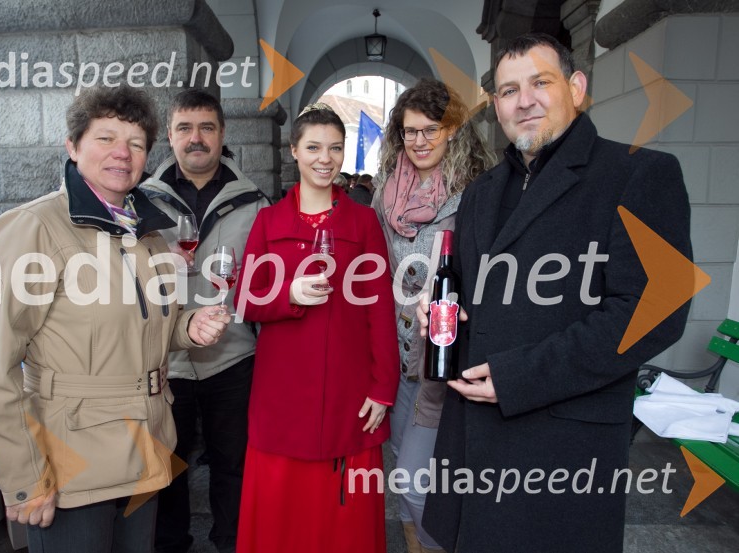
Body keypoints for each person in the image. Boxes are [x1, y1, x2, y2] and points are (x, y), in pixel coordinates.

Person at [419, 33, 692, 553]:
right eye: (507, 90)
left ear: (577, 87)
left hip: (562, 453)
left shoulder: (639, 175)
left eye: (539, 83)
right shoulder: (479, 193)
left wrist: (521, 376)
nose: (524, 100)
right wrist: (446, 311)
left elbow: (655, 310)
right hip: (473, 444)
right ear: (494, 105)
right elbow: (482, 299)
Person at [0, 86, 231, 553]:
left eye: (136, 143)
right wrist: (24, 478)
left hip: (144, 450)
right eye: (106, 138)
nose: (122, 154)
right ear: (73, 146)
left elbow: (143, 328)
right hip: (72, 465)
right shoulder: (32, 228)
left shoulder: (144, 232)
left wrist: (187, 328)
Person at [233, 103, 398, 553]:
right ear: (294, 151)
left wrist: (384, 387)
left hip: (348, 391)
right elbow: (246, 297)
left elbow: (380, 308)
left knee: (343, 519)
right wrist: (287, 294)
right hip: (282, 393)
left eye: (335, 148)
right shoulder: (268, 222)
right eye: (314, 147)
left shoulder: (364, 223)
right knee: (283, 514)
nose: (325, 158)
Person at [141, 89, 270, 553]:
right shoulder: (142, 203)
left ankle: (233, 543)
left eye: (206, 128)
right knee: (166, 467)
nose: (196, 139)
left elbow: (266, 286)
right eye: (184, 128)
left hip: (232, 358)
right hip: (166, 360)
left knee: (232, 464)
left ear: (222, 134)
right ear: (169, 137)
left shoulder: (255, 203)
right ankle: (171, 545)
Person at [371, 77, 495, 553]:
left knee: (421, 477)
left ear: (453, 132)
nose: (419, 141)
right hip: (398, 352)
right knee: (402, 463)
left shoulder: (475, 192)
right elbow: (378, 270)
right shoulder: (387, 193)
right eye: (410, 131)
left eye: (431, 130)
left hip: (445, 354)